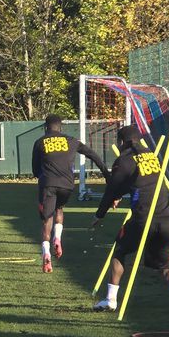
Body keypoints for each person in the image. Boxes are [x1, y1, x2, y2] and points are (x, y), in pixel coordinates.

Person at [90, 125, 169, 315]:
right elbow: (139, 183)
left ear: (121, 142)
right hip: (166, 217)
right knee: (165, 267)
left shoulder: (124, 159)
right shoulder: (151, 155)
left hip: (143, 218)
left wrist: (99, 215)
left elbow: (112, 189)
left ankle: (110, 300)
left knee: (120, 251)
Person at [30, 114, 109, 273]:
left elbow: (35, 170)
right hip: (67, 185)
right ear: (61, 127)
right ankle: (57, 238)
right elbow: (92, 155)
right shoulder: (72, 140)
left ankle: (46, 253)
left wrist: (43, 178)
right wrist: (107, 174)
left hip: (48, 184)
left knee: (47, 220)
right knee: (59, 209)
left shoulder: (39, 142)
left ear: (46, 128)